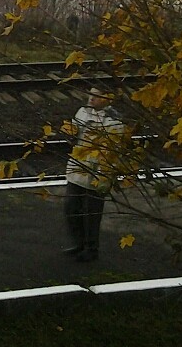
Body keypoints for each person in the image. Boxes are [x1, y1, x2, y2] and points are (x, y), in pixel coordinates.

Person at [63, 88, 125, 262]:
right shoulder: (83, 111)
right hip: (78, 167)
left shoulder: (114, 121)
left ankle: (91, 248)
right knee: (71, 208)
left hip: (98, 172)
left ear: (108, 99)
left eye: (97, 95)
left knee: (92, 213)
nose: (92, 98)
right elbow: (73, 134)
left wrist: (105, 176)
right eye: (91, 94)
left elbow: (114, 152)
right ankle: (79, 242)